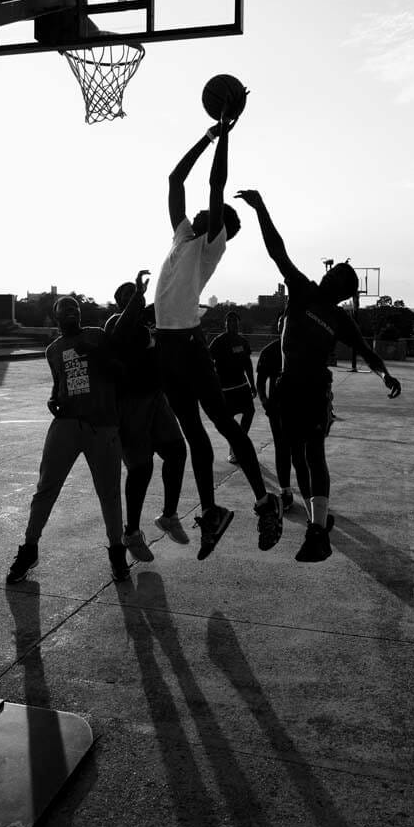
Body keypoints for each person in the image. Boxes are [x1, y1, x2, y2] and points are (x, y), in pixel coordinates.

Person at [235, 189, 402, 562]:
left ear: (342, 291)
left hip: (313, 391)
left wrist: (384, 374)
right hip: (286, 389)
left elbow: (367, 352)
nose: (329, 276)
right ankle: (307, 517)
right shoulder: (303, 290)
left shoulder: (339, 318)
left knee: (313, 456)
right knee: (293, 455)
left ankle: (316, 529)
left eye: (337, 276)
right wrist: (262, 209)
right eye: (332, 272)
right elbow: (277, 250)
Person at [153, 111, 282, 561]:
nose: (203, 210)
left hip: (188, 344)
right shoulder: (183, 237)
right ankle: (211, 513)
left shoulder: (212, 243)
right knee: (194, 436)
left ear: (220, 223)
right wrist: (207, 134)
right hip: (167, 348)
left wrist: (225, 138)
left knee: (224, 424)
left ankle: (266, 504)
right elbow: (174, 178)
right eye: (205, 210)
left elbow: (214, 184)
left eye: (211, 210)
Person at [6, 271, 149, 586]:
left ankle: (115, 552)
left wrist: (137, 298)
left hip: (103, 427)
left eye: (76, 310)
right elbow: (60, 386)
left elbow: (120, 371)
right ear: (56, 317)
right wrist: (52, 399)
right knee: (46, 488)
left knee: (109, 494)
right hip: (67, 425)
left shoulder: (98, 335)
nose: (72, 313)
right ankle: (29, 548)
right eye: (66, 310)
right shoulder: (53, 351)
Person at [105, 279, 189, 561]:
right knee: (141, 470)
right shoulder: (116, 324)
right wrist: (137, 298)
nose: (135, 299)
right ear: (120, 303)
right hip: (130, 404)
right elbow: (120, 333)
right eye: (127, 296)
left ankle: (169, 515)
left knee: (177, 452)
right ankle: (131, 533)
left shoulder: (146, 327)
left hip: (156, 398)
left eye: (137, 294)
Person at [255, 316, 297, 513]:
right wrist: (265, 402)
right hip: (278, 410)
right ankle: (286, 491)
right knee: (282, 449)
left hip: (300, 409)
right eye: (282, 327)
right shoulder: (270, 352)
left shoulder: (301, 349)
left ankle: (311, 494)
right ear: (278, 328)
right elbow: (260, 382)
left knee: (301, 453)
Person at [208, 311, 257, 464]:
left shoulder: (242, 341)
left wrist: (252, 384)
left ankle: (240, 442)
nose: (232, 324)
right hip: (225, 389)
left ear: (238, 323)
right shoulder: (218, 341)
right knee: (228, 421)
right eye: (229, 321)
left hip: (242, 386)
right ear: (225, 324)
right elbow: (208, 362)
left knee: (250, 411)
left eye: (234, 321)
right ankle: (234, 447)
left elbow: (247, 364)